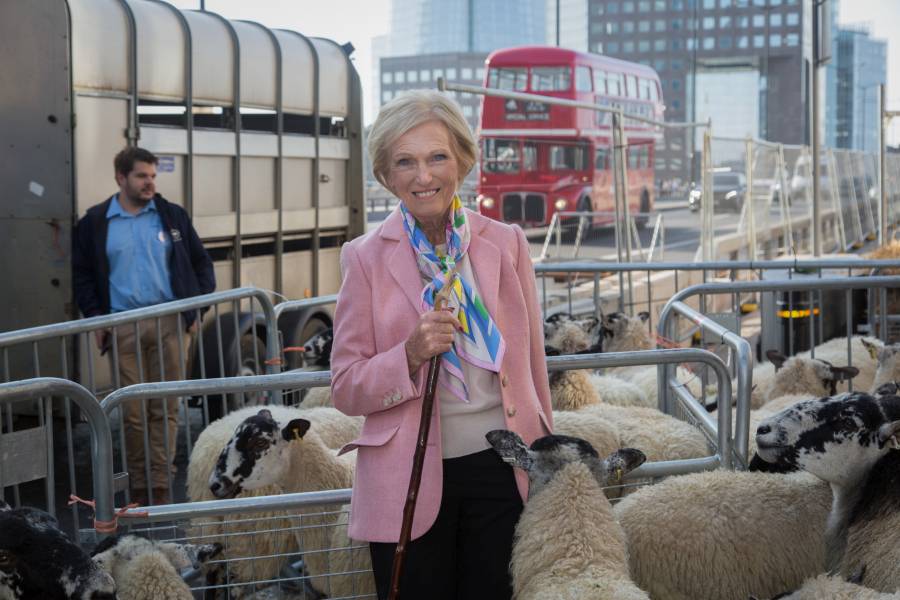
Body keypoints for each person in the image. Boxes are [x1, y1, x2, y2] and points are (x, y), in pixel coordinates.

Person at [331, 90, 552, 600]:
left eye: (437, 157)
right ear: (386, 175)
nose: (423, 176)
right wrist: (407, 355)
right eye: (404, 162)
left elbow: (533, 367)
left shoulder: (506, 242)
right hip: (405, 477)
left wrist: (542, 459)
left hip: (503, 471)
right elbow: (344, 387)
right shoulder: (363, 258)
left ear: (463, 162)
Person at [72, 146, 215, 506]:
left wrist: (194, 309)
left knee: (164, 409)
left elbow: (201, 264)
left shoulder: (171, 216)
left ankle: (161, 484)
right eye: (141, 176)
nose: (149, 182)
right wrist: (95, 317)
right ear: (121, 178)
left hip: (170, 323)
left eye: (152, 175)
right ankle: (139, 486)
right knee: (133, 413)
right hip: (123, 326)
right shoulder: (95, 222)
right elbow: (83, 276)